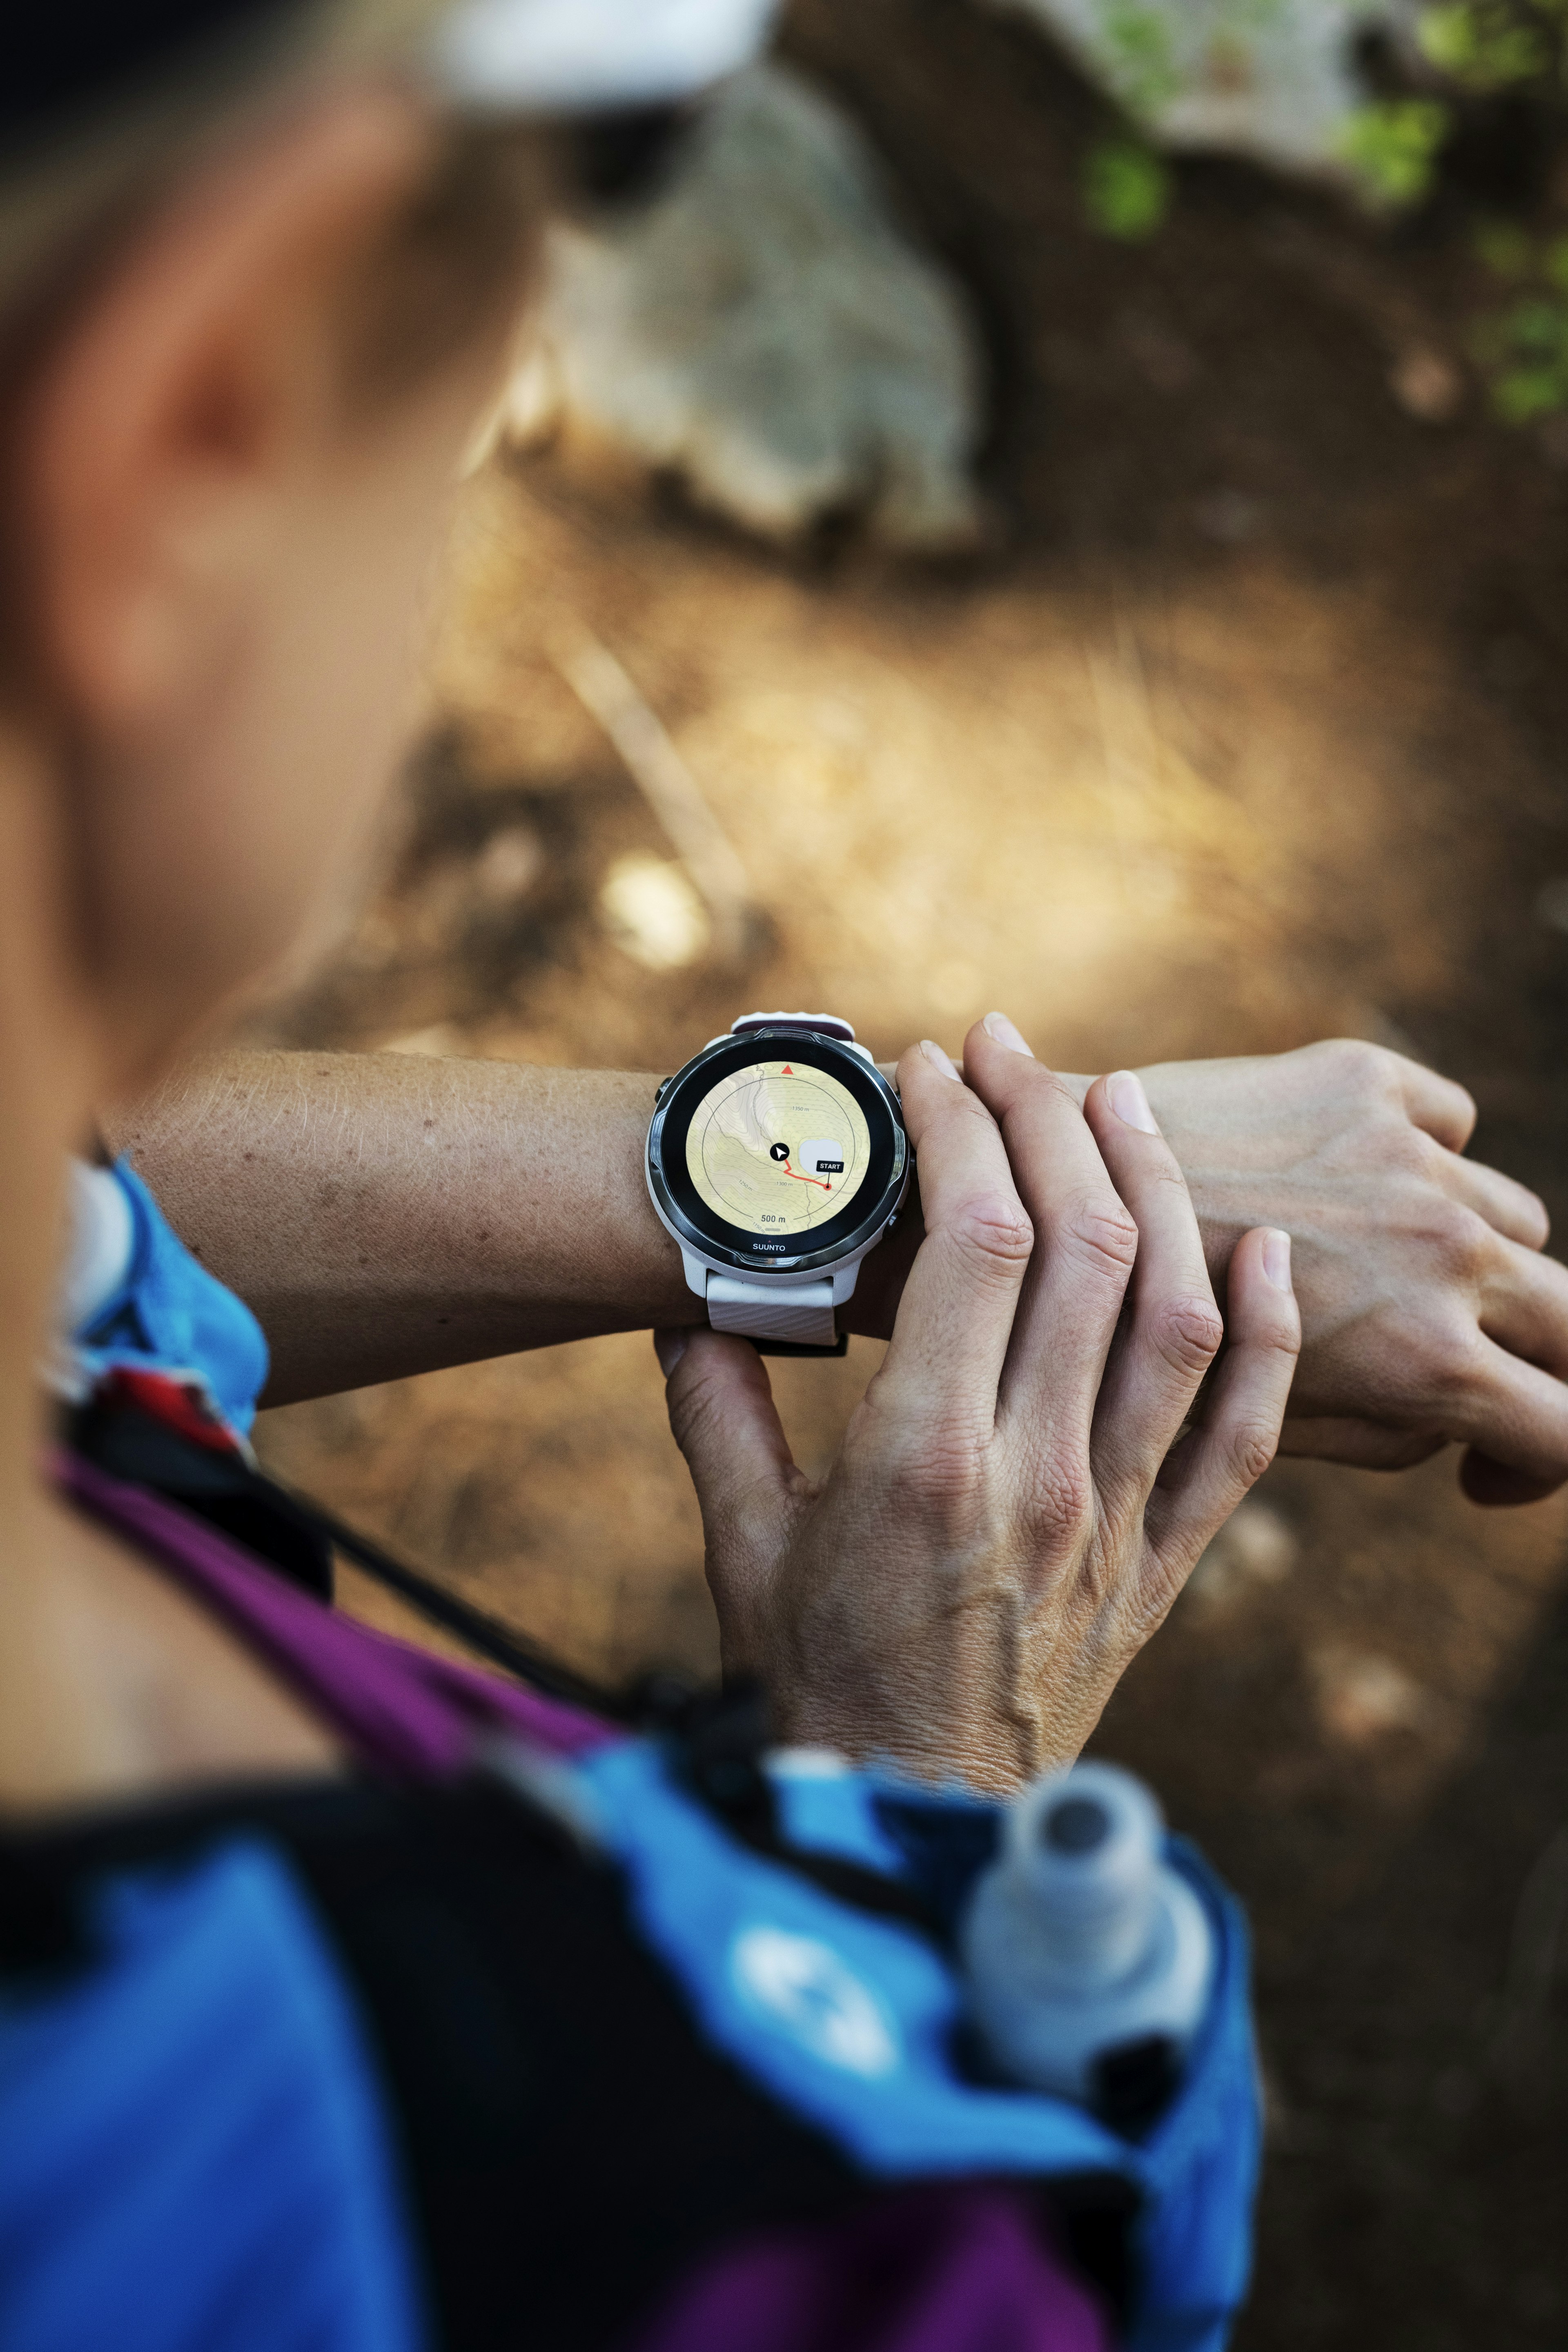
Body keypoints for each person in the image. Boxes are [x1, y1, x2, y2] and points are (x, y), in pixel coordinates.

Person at [0, 7, 1553, 2351]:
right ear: (192, 422)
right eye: (470, 373)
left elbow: (65, 1246)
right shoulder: (772, 2242)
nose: (501, 439)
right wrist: (917, 1822)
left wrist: (897, 1207)